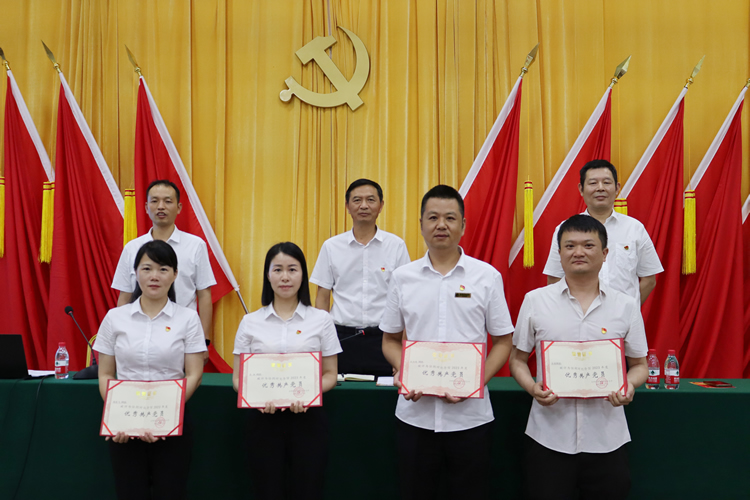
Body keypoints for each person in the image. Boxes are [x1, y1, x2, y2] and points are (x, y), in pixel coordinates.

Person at [380, 185, 514, 500]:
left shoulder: (486, 276)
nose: (441, 225)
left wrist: (475, 382)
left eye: (450, 218)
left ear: (463, 225)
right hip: (415, 416)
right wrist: (405, 370)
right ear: (421, 224)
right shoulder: (402, 277)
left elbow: (503, 341)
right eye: (433, 218)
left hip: (471, 419)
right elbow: (390, 340)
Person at [510, 214, 648, 500]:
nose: (578, 252)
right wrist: (532, 387)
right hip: (548, 436)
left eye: (588, 245)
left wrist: (629, 385)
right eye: (570, 246)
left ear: (605, 253)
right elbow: (517, 359)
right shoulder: (536, 301)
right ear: (559, 254)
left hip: (607, 438)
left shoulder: (625, 305)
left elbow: (639, 365)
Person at [95, 240, 206, 500]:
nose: (154, 276)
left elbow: (194, 374)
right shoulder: (115, 318)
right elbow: (105, 374)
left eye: (163, 269)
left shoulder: (188, 319)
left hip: (173, 426)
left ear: (175, 274)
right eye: (147, 268)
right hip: (125, 427)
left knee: (171, 492)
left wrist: (166, 415)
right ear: (135, 273)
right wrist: (118, 417)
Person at [232, 242, 341, 500]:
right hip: (263, 420)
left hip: (308, 419)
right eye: (278, 269)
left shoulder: (321, 320)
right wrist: (256, 398)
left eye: (292, 269)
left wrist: (308, 395)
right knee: (267, 490)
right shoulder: (250, 322)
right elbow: (238, 378)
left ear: (302, 275)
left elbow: (330, 374)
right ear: (267, 275)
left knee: (308, 489)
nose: (285, 277)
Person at [311, 178, 410, 376]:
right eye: (357, 200)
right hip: (340, 338)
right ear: (347, 206)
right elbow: (322, 298)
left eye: (370, 200)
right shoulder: (331, 247)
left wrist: (403, 349)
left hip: (384, 340)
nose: (364, 205)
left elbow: (405, 299)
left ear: (381, 206)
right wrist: (321, 343)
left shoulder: (396, 246)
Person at [112, 179, 216, 359]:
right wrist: (119, 334)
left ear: (179, 207)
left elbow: (204, 294)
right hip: (138, 333)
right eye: (155, 201)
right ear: (146, 207)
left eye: (168, 201)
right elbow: (125, 295)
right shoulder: (132, 248)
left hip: (182, 333)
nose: (161, 206)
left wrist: (204, 341)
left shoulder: (195, 245)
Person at [543, 159, 663, 305]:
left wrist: (629, 309)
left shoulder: (634, 228)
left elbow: (649, 279)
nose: (600, 188)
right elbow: (554, 279)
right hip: (579, 315)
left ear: (617, 188)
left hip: (623, 316)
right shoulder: (566, 230)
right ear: (581, 189)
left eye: (606, 182)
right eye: (593, 183)